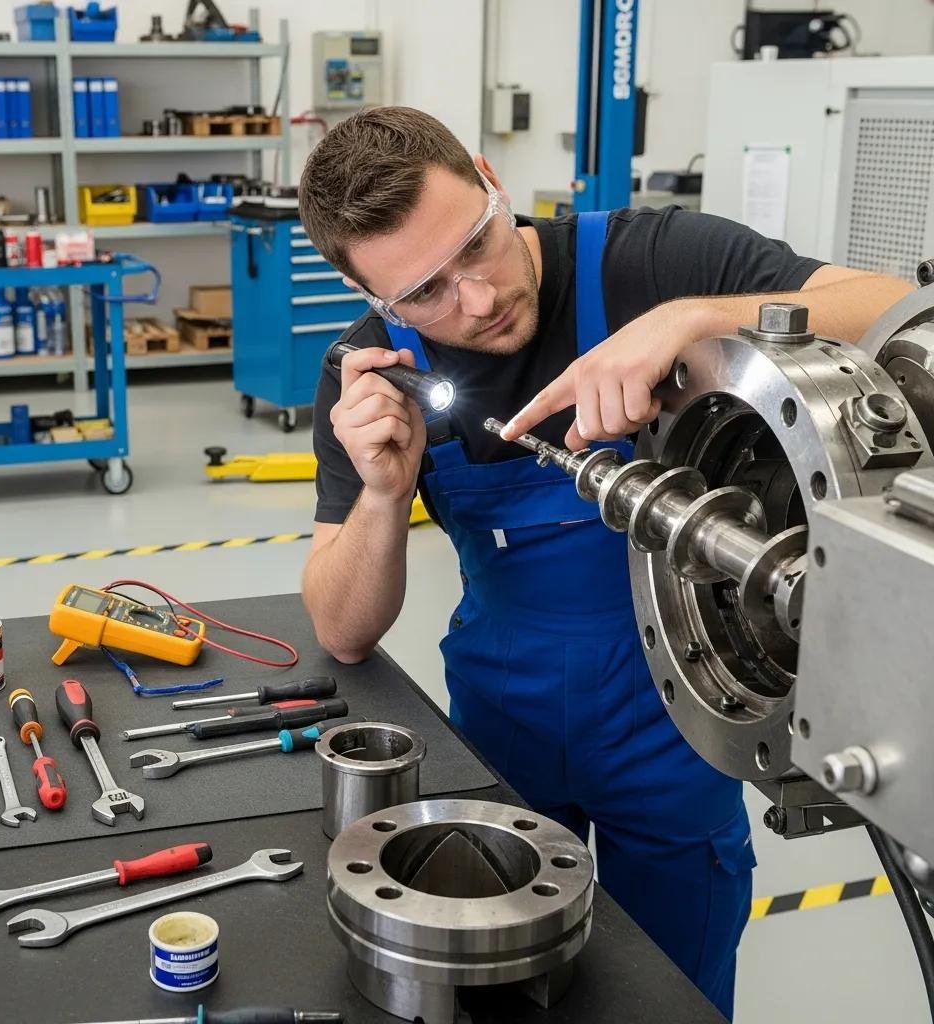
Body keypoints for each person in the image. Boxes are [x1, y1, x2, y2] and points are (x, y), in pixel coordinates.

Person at [298, 106, 911, 1018]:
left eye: (476, 244)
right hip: (503, 729)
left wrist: (697, 318)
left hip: (682, 727)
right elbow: (342, 632)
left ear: (491, 180)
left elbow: (895, 306)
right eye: (422, 293)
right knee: (501, 987)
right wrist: (384, 495)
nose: (474, 298)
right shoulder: (371, 376)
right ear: (375, 302)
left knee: (674, 992)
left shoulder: (655, 261)